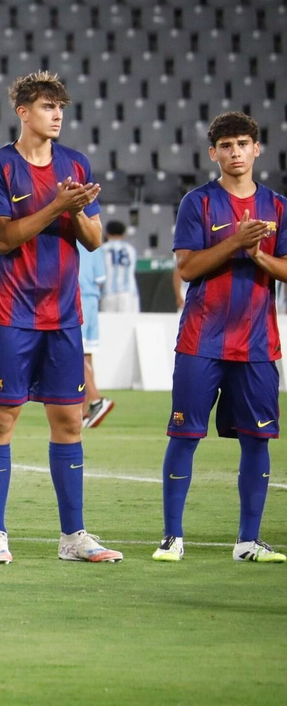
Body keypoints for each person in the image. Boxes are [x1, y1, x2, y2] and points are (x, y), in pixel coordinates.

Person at [0, 70, 121, 564]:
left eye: (60, 107)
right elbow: (3, 239)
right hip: (12, 312)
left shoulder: (75, 164)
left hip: (63, 314)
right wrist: (58, 203)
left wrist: (77, 210)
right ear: (23, 112)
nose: (56, 115)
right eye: (46, 106)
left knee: (69, 421)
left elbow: (95, 239)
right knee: (2, 419)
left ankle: (73, 537)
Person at [156, 112, 287, 564]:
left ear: (256, 149)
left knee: (257, 439)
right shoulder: (198, 203)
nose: (235, 152)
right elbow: (187, 268)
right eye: (226, 145)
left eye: (243, 144)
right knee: (185, 434)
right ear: (213, 153)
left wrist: (259, 257)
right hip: (201, 340)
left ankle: (248, 541)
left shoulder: (278, 206)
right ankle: (172, 537)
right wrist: (236, 243)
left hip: (255, 344)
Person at [79, 241, 113, 429]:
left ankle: (96, 399)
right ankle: (84, 412)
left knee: (74, 354)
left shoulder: (66, 240)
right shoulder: (92, 240)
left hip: (76, 299)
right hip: (92, 301)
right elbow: (100, 279)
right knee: (87, 356)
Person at [100, 220, 140, 313]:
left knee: (110, 325)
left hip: (109, 292)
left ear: (107, 233)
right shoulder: (131, 249)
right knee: (128, 325)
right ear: (123, 234)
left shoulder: (103, 249)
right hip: (129, 293)